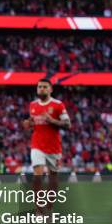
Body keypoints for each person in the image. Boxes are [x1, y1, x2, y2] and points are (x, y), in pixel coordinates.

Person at [24, 79, 71, 213]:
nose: (42, 89)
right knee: (37, 175)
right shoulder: (33, 105)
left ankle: (49, 207)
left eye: (45, 87)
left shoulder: (58, 105)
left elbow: (68, 124)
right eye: (39, 87)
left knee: (53, 178)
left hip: (54, 147)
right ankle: (39, 210)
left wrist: (52, 121)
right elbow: (33, 123)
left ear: (51, 89)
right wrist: (28, 124)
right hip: (37, 145)